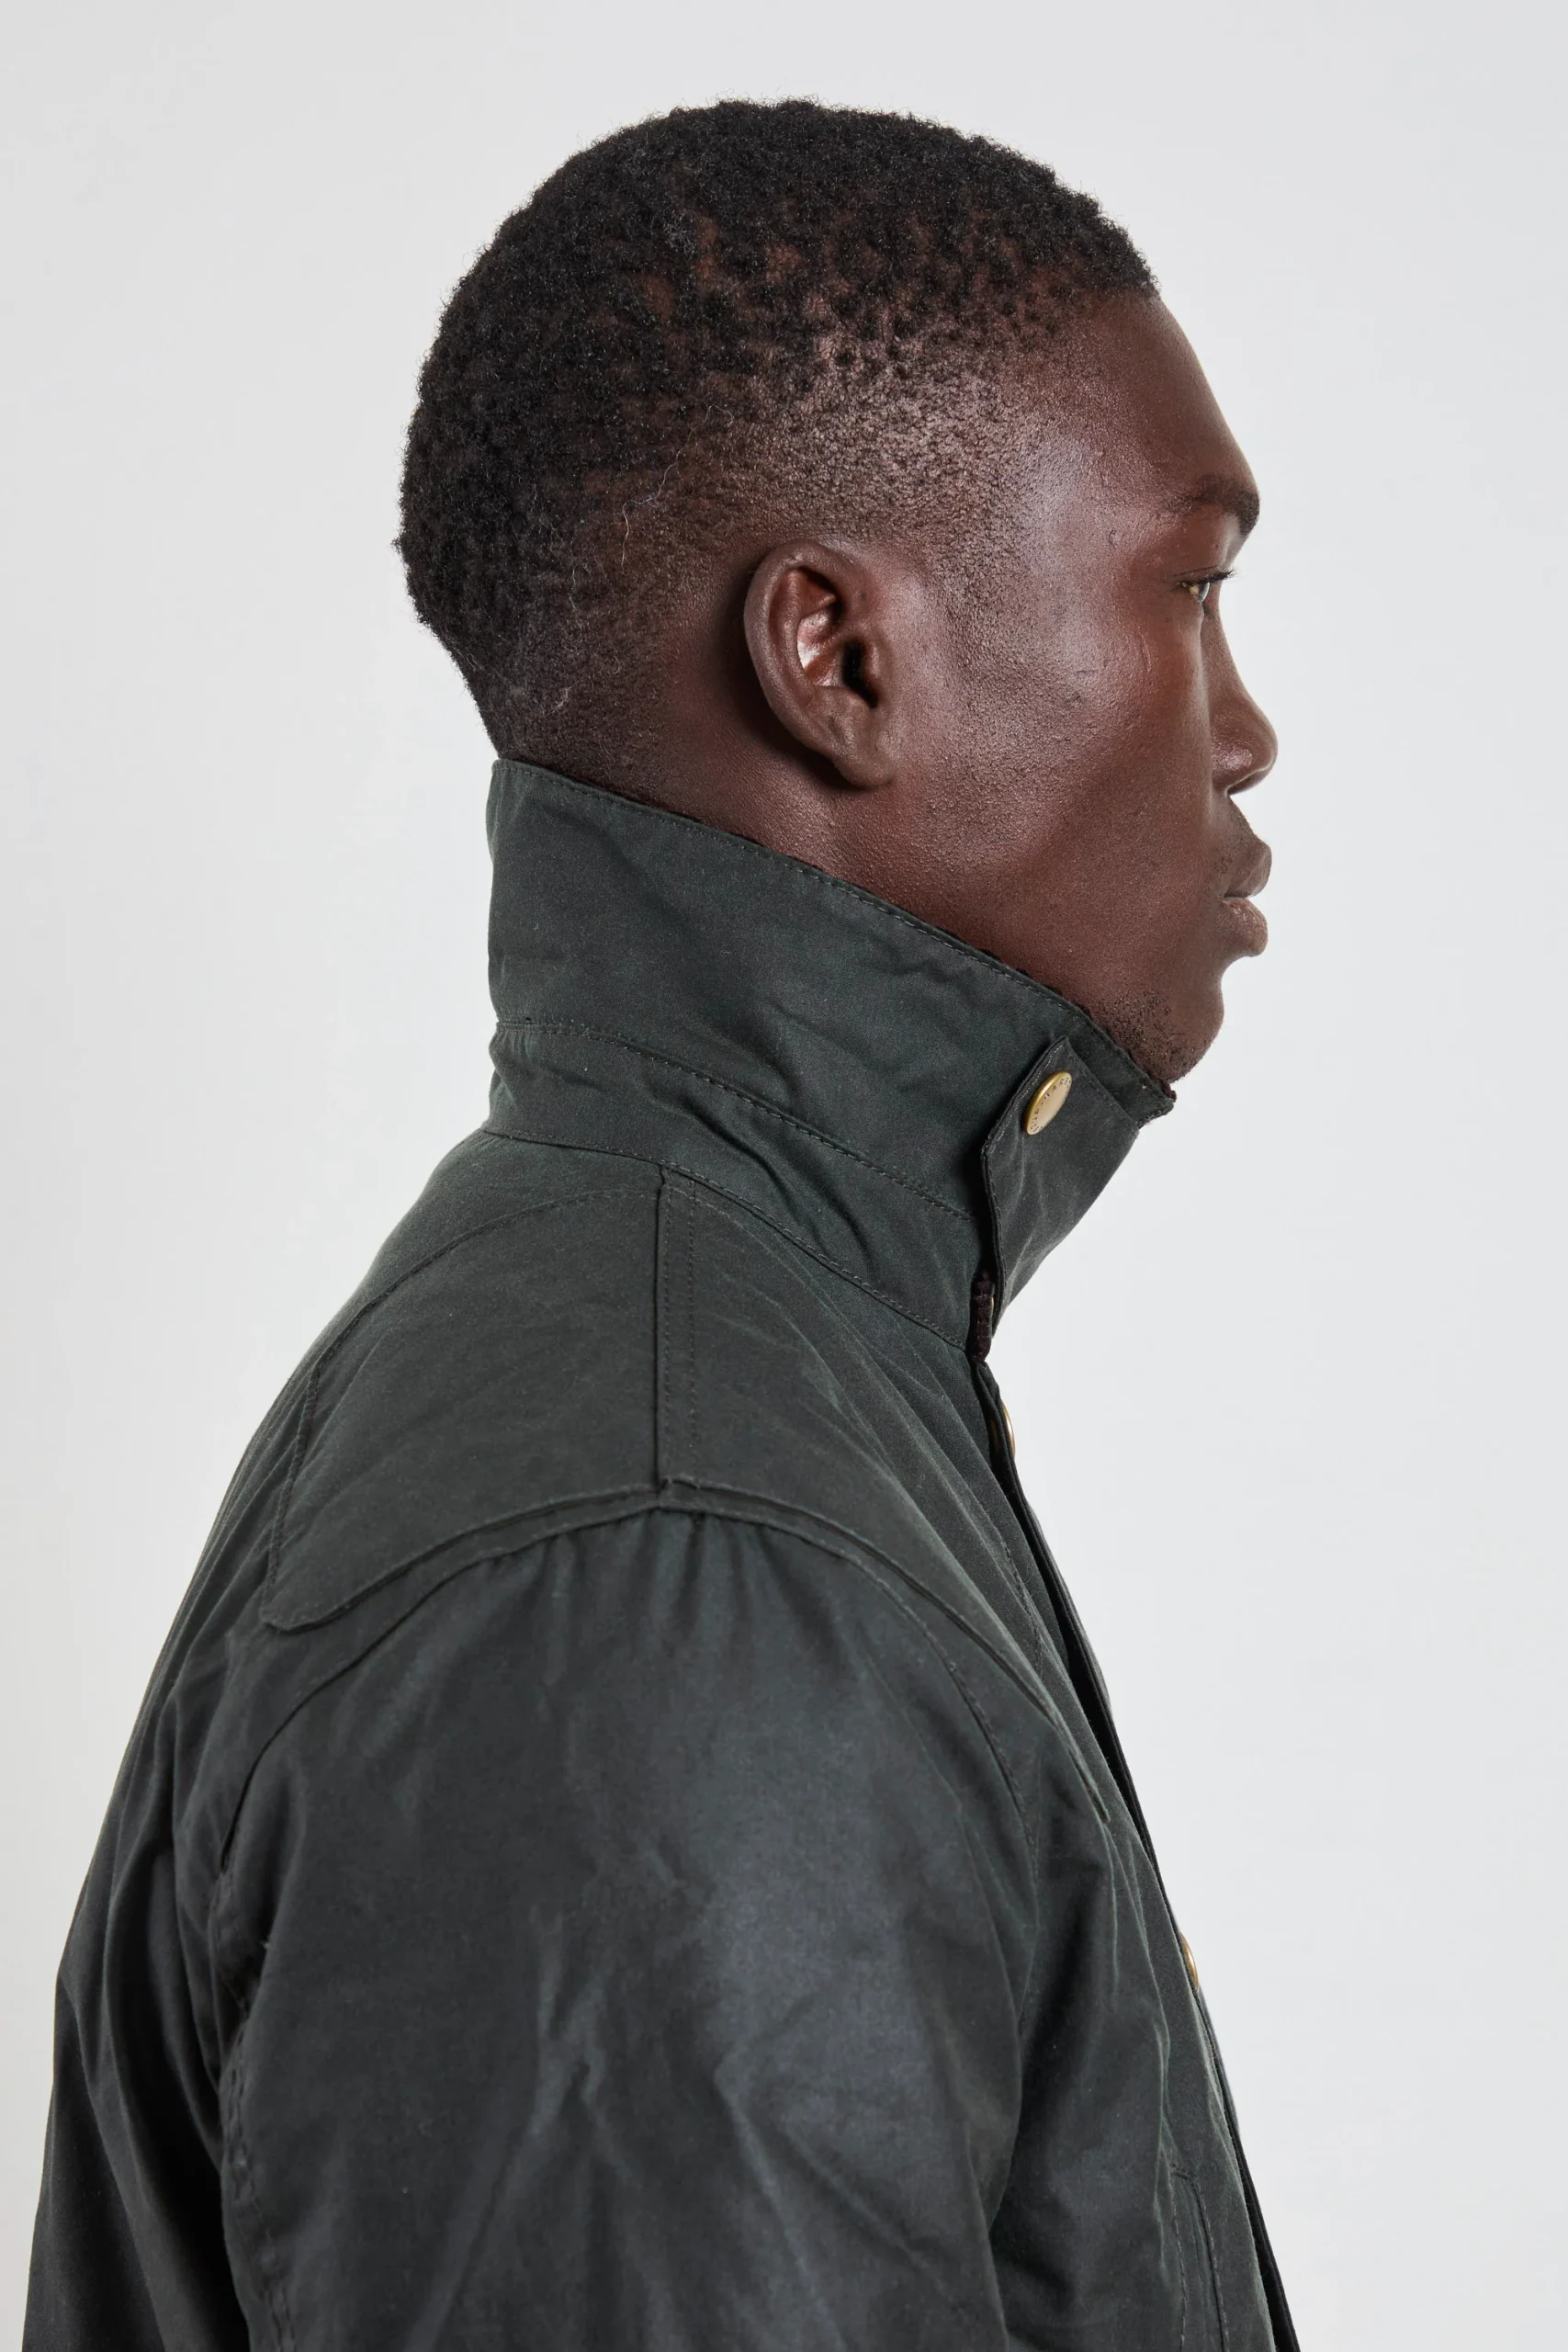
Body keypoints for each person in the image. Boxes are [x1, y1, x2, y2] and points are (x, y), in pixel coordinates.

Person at [26, 98, 1294, 2351]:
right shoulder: (670, 1572)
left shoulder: (720, 1393)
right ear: (838, 656)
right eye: (1187, 588)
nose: (1246, 730)